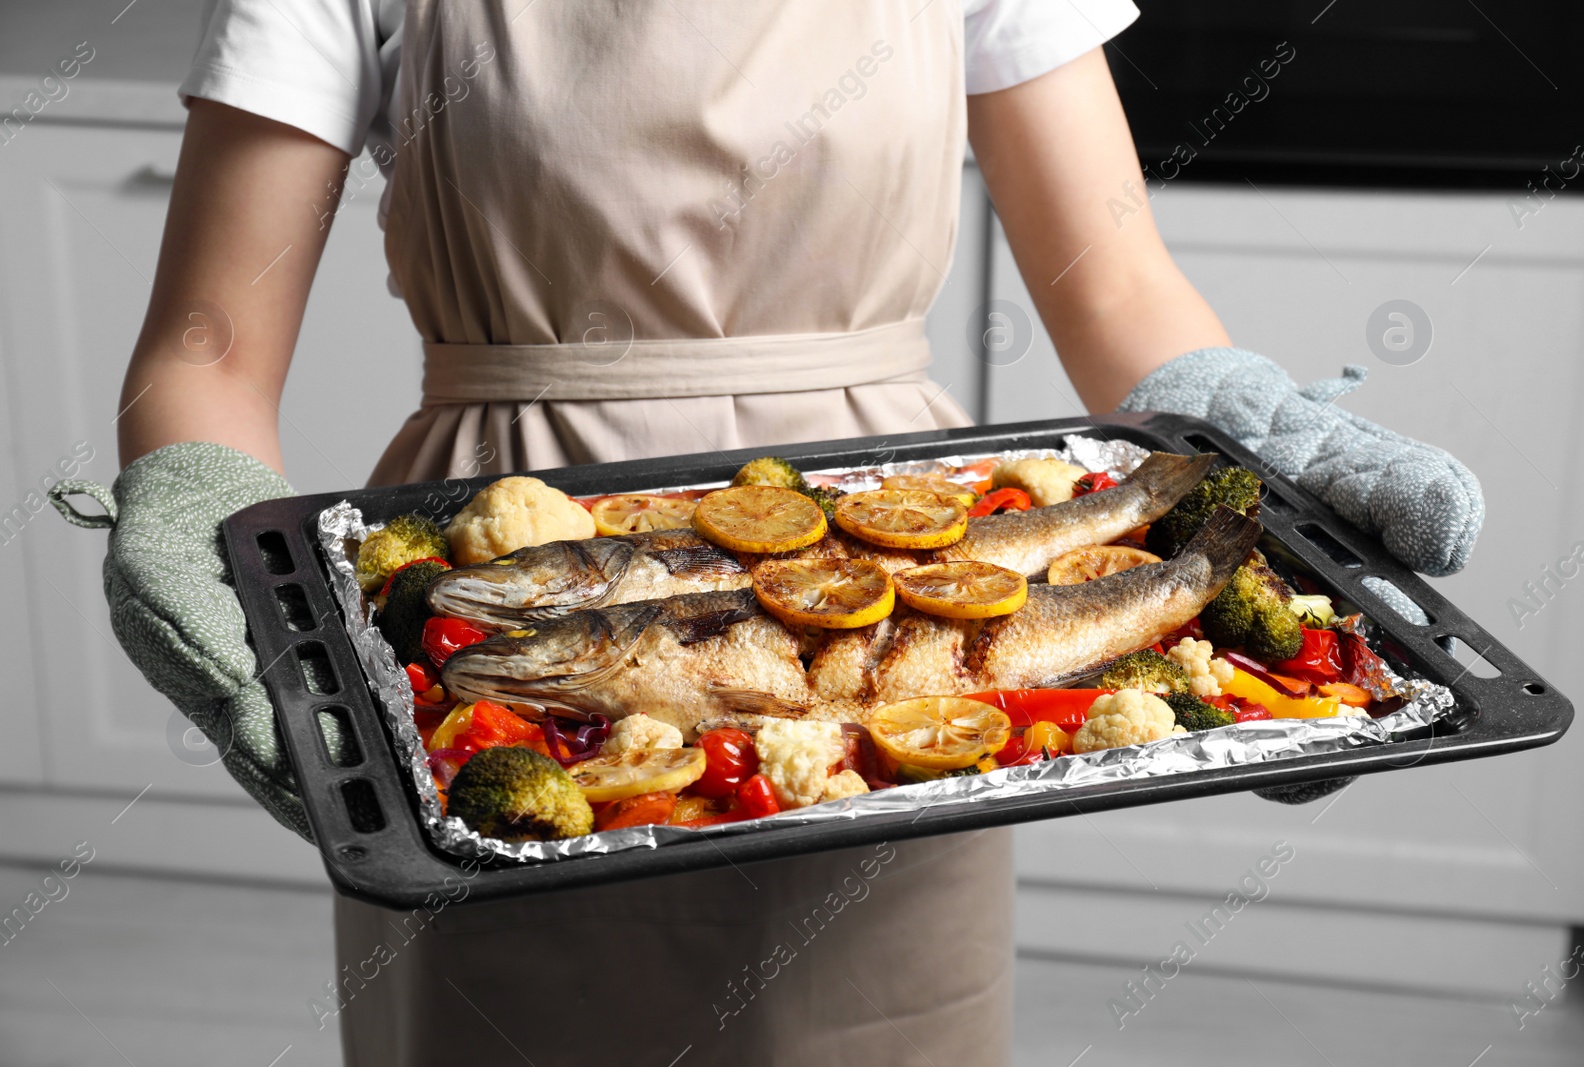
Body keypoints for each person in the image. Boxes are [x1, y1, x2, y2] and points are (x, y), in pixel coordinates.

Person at [48, 2, 1482, 1064]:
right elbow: (209, 347)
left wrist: (1241, 439)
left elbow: (1116, 282)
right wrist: (192, 497)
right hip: (519, 577)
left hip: (920, 601)